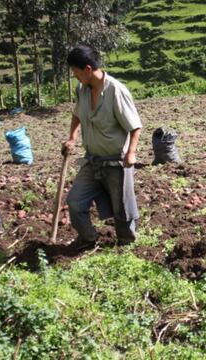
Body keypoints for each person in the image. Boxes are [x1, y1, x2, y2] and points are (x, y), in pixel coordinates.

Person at [62, 45, 142, 247]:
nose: (75, 76)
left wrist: (131, 153)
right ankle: (88, 238)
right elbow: (78, 114)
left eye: (76, 72)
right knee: (75, 201)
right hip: (93, 159)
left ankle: (126, 242)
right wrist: (72, 137)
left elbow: (135, 126)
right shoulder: (83, 89)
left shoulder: (116, 90)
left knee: (121, 208)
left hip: (117, 161)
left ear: (88, 69)